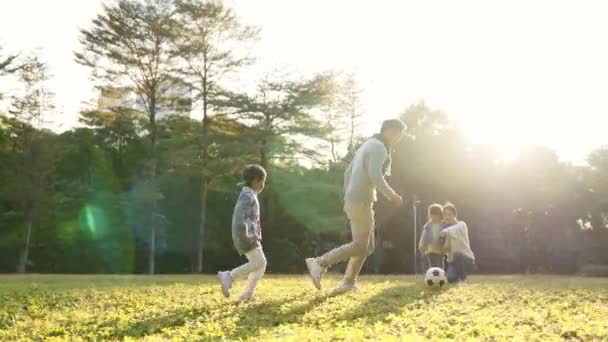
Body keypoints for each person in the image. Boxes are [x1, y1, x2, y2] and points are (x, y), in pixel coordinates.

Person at [305, 119, 406, 296]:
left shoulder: (368, 145)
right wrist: (393, 196)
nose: (399, 139)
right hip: (360, 199)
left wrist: (348, 195)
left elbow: (347, 172)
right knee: (360, 245)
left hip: (357, 198)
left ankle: (348, 282)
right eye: (399, 134)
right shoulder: (379, 147)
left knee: (367, 246)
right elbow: (375, 175)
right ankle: (320, 262)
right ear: (390, 131)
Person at [218, 164, 267, 302]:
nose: (263, 185)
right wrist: (243, 232)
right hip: (245, 236)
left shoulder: (251, 194)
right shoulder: (247, 195)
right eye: (263, 181)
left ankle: (247, 294)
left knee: (260, 264)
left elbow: (253, 218)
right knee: (260, 262)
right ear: (256, 181)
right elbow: (239, 215)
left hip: (251, 236)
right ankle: (229, 276)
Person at [439, 203, 475, 284]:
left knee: (457, 254)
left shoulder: (462, 225)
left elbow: (454, 229)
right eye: (444, 215)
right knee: (450, 278)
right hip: (453, 263)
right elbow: (445, 250)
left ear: (455, 215)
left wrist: (445, 231)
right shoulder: (447, 231)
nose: (447, 217)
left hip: (467, 261)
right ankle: (456, 278)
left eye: (449, 214)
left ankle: (463, 280)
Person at [418, 204, 447, 269]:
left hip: (440, 249)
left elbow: (446, 236)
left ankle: (440, 277)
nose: (434, 217)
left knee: (440, 265)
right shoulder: (428, 226)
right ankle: (432, 277)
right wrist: (421, 246)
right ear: (430, 215)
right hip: (430, 249)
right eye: (432, 215)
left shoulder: (443, 225)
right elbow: (424, 236)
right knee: (432, 266)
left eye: (437, 215)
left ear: (441, 215)